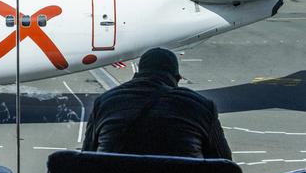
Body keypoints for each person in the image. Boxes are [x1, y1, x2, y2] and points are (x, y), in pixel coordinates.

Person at [82, 47, 232, 159]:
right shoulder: (201, 107)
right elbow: (224, 164)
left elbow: (86, 157)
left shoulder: (105, 103)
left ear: (136, 74)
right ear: (177, 78)